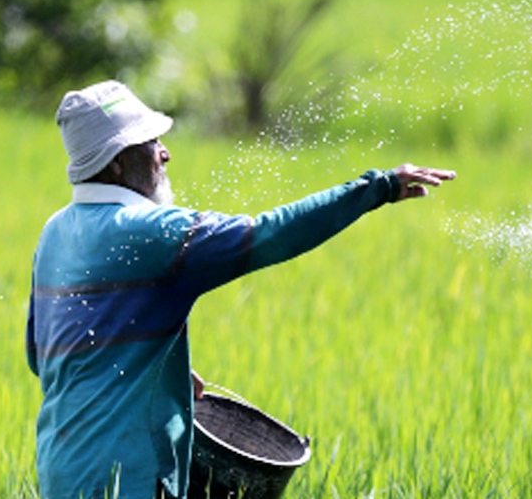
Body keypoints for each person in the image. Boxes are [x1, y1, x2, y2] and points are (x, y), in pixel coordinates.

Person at [26, 80, 456, 499]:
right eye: (150, 143)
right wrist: (376, 188)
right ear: (116, 164)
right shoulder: (152, 233)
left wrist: (151, 365)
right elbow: (267, 235)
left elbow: (42, 353)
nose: (165, 153)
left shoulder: (55, 233)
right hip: (131, 476)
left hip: (61, 470)